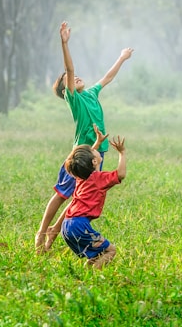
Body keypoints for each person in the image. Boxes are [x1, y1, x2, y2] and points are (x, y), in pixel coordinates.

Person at [34, 21, 133, 253]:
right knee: (61, 194)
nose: (76, 77)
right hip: (80, 155)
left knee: (81, 196)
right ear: (65, 90)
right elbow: (69, 69)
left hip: (98, 152)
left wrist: (121, 58)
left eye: (77, 76)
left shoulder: (90, 93)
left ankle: (53, 235)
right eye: (69, 79)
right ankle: (42, 233)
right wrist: (64, 43)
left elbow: (107, 77)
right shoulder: (74, 99)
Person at [61, 125, 127, 269]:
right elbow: (121, 174)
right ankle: (93, 277)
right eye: (93, 150)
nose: (95, 149)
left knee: (97, 254)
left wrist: (97, 143)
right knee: (110, 250)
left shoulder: (81, 176)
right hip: (79, 225)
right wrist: (122, 153)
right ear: (94, 162)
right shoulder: (99, 179)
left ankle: (86, 272)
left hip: (67, 225)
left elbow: (87, 159)